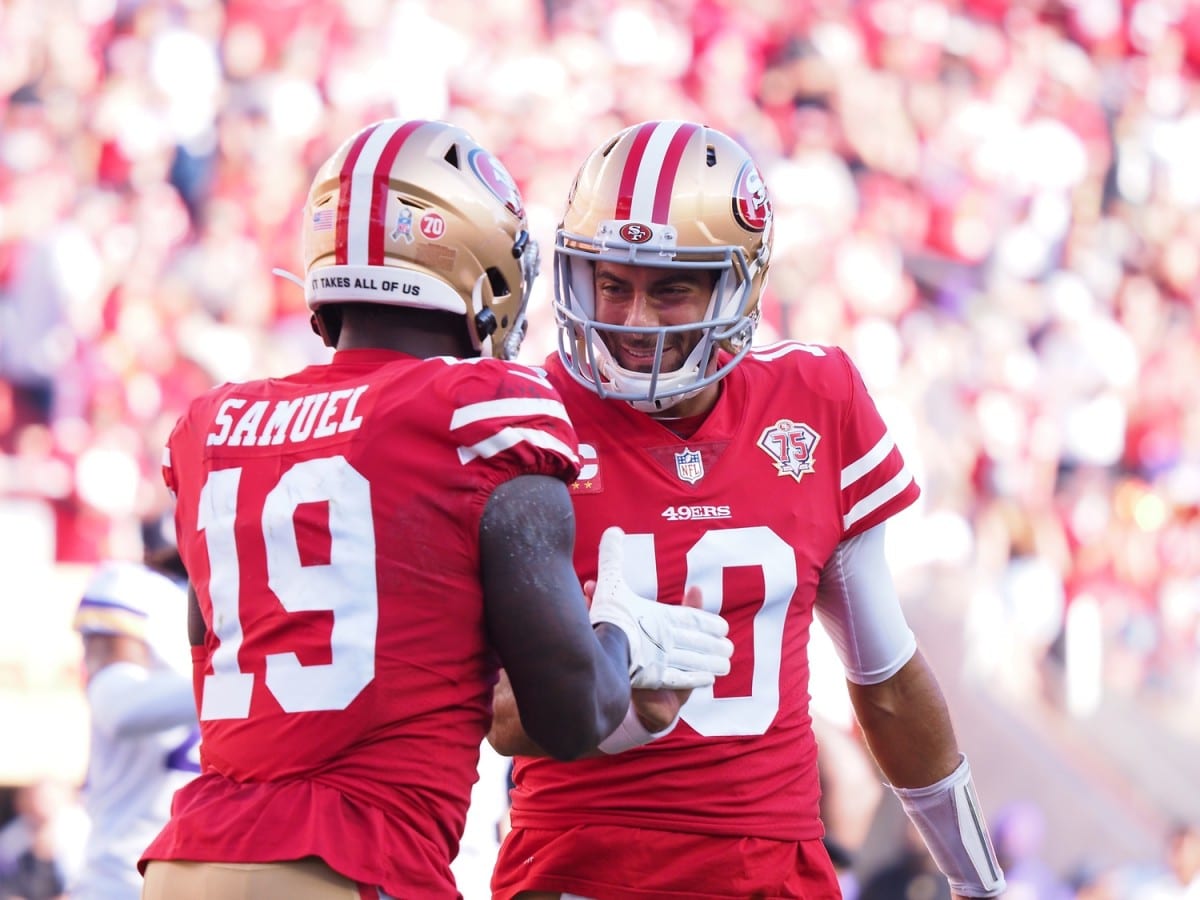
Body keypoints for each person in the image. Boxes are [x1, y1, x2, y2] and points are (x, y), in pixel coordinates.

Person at [137, 118, 732, 900]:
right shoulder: (481, 409)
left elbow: (212, 643)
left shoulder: (216, 423)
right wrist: (621, 639)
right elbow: (568, 712)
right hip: (353, 866)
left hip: (187, 864)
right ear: (483, 264)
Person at [488, 120, 1006, 900]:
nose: (632, 320)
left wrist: (980, 883)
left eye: (670, 288)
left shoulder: (817, 398)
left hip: (773, 872)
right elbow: (498, 717)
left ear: (740, 285)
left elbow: (886, 677)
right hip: (581, 868)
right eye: (612, 281)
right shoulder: (526, 415)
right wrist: (615, 680)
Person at [70, 556, 198, 900]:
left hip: (202, 880)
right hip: (121, 883)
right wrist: (243, 683)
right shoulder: (131, 584)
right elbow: (119, 707)